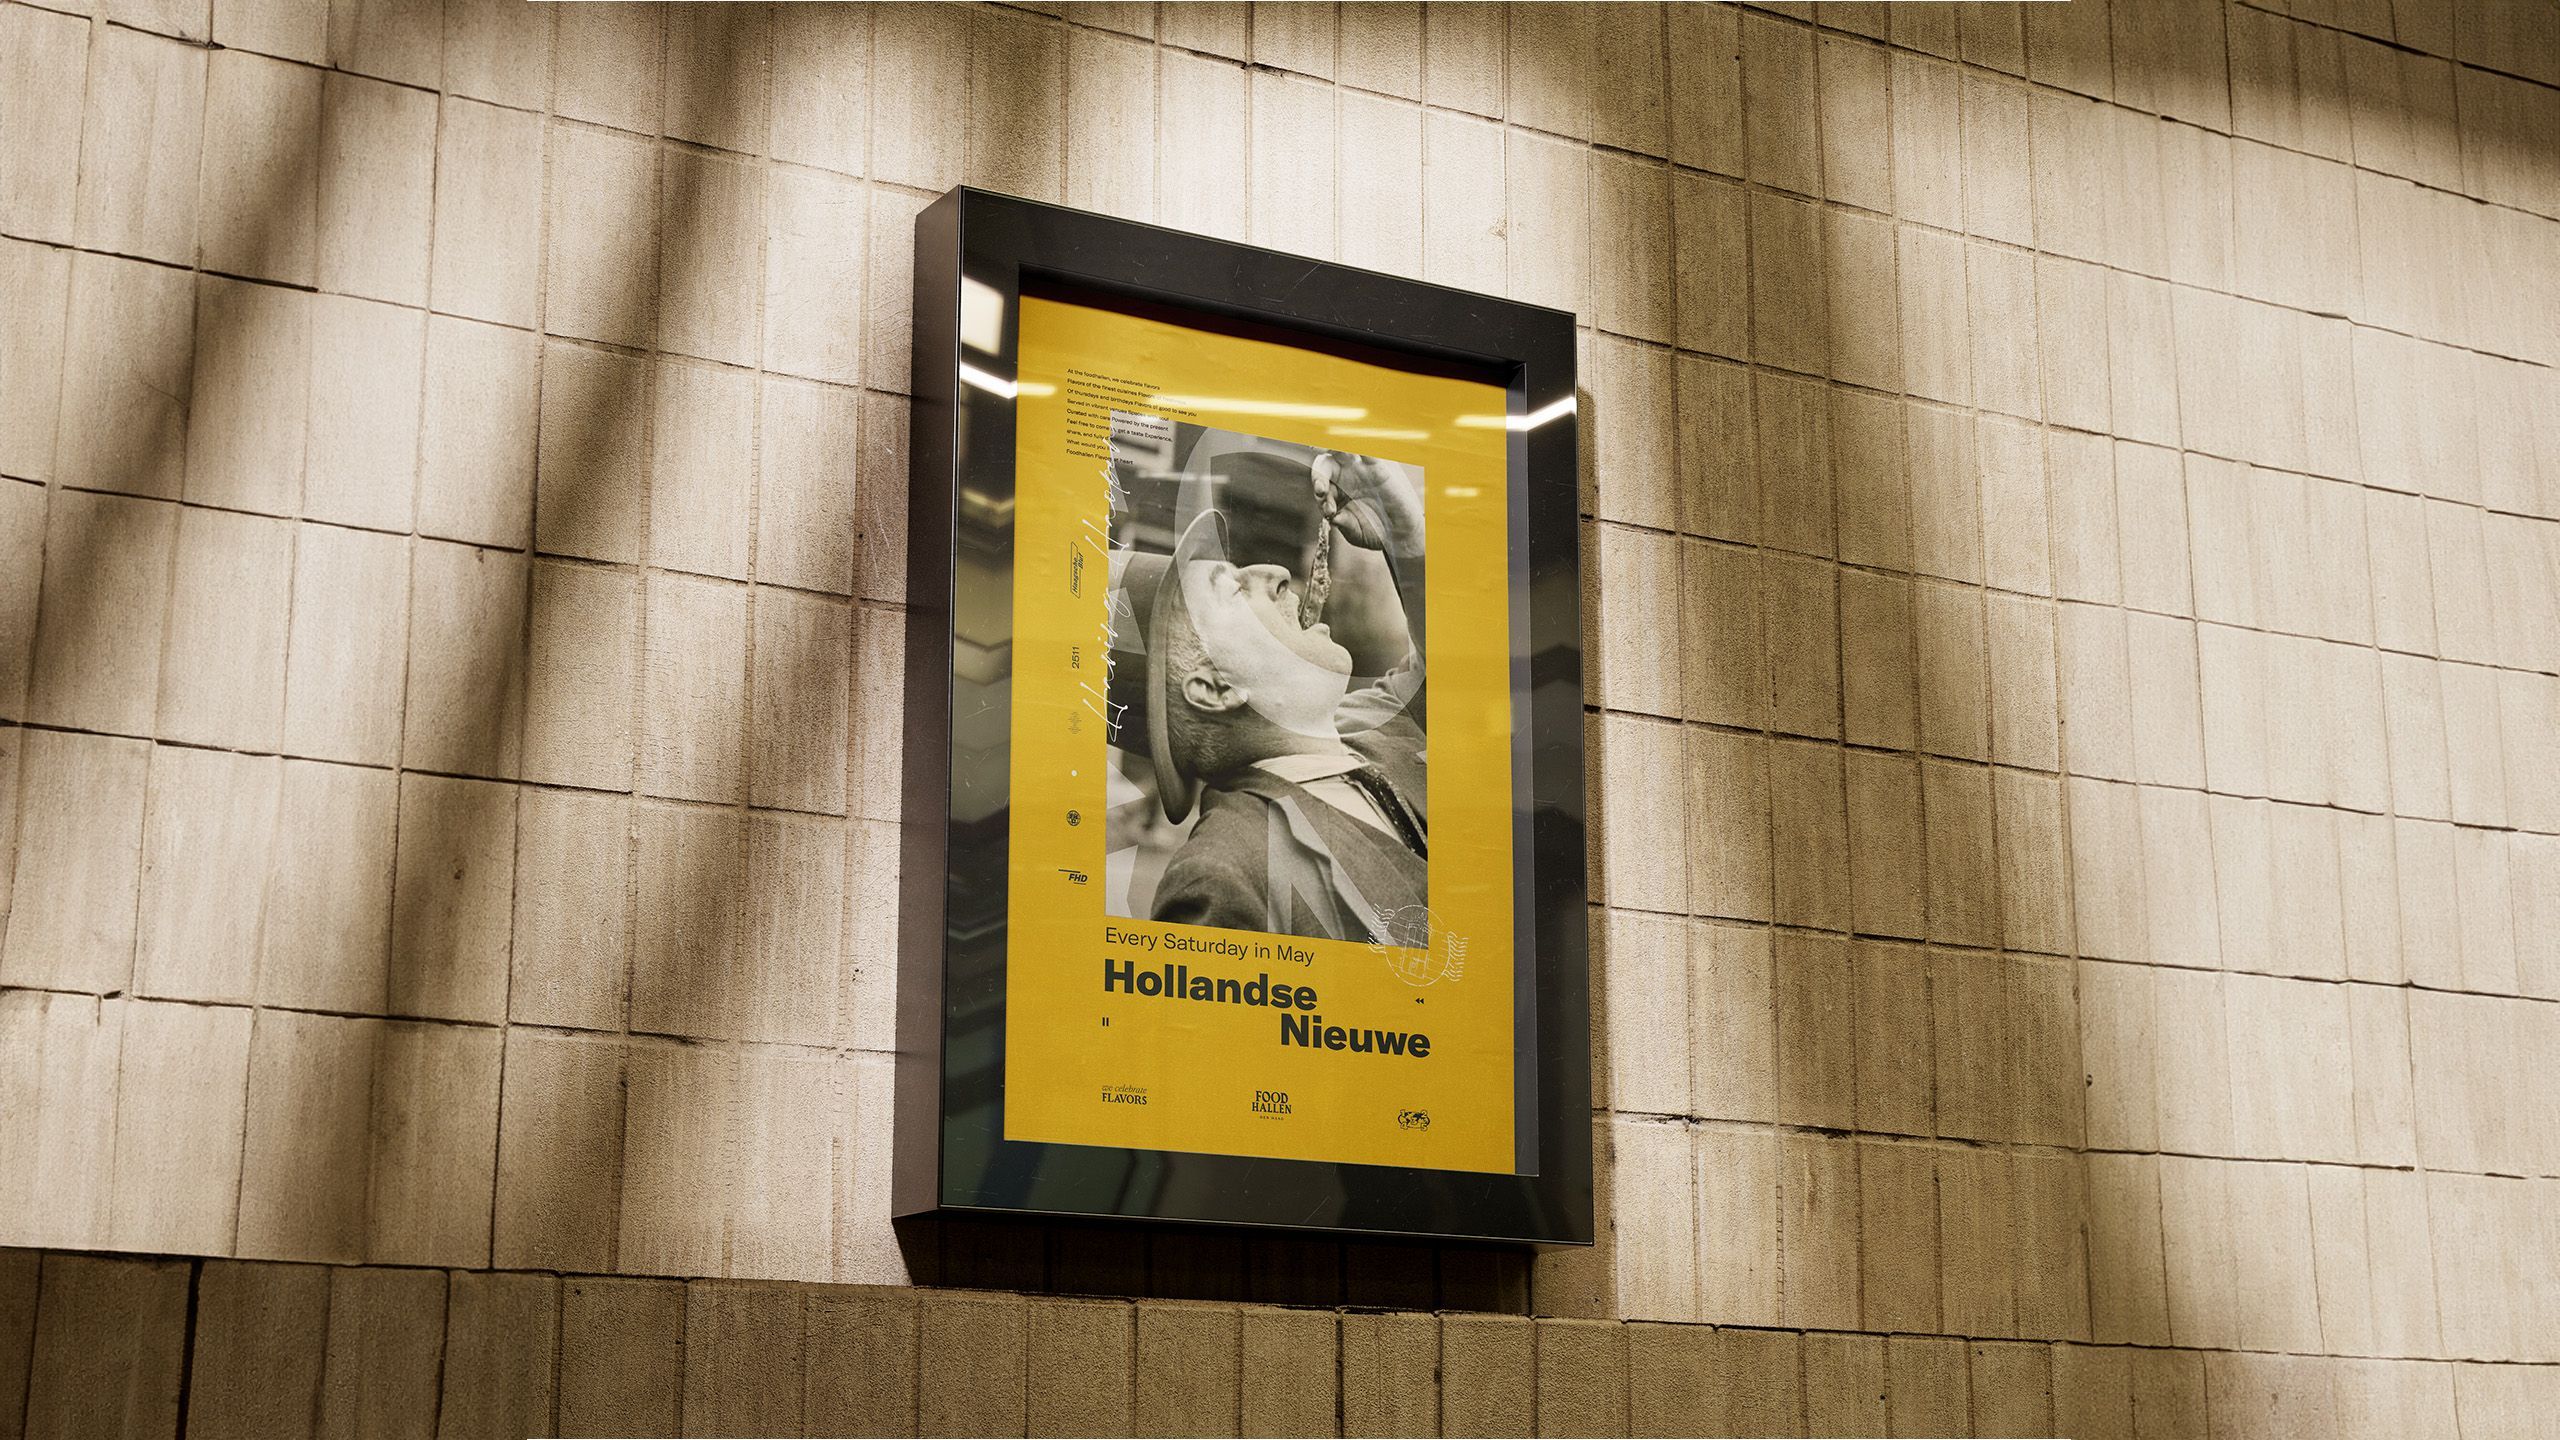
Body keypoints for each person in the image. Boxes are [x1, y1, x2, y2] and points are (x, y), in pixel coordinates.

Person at [1107, 450, 1429, 943]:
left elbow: (1453, 677)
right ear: (1216, 688)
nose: (1276, 573)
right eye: (1234, 589)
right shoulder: (1223, 877)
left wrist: (1403, 535)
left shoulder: (1377, 729)